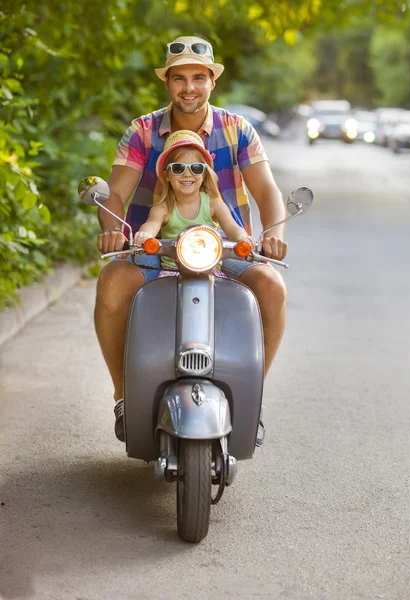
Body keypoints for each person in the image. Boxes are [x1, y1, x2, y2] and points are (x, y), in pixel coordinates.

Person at [96, 35, 288, 445]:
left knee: (272, 286)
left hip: (224, 247)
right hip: (152, 249)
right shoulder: (142, 131)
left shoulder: (238, 129)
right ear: (167, 82)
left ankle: (252, 400)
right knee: (112, 284)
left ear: (212, 82)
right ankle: (124, 397)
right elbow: (114, 192)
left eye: (199, 77)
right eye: (179, 78)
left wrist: (272, 236)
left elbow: (268, 192)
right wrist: (112, 228)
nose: (189, 87)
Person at [133, 129, 255, 276]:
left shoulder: (213, 204)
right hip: (172, 271)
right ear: (166, 175)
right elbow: (151, 225)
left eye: (196, 168)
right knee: (158, 295)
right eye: (178, 168)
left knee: (227, 295)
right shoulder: (163, 208)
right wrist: (145, 235)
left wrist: (242, 238)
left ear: (204, 174)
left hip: (209, 270)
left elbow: (232, 227)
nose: (187, 174)